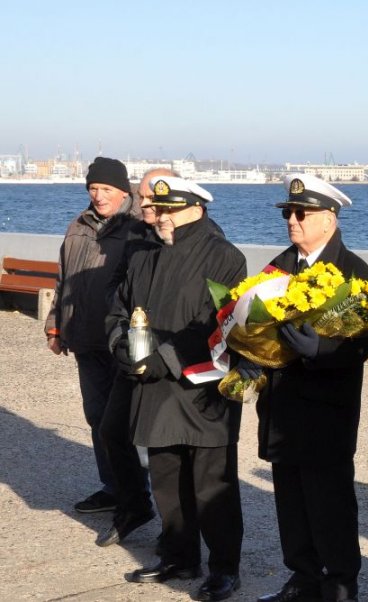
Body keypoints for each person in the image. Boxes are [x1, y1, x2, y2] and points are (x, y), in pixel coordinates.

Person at [107, 175, 246, 601]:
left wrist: (163, 359)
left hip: (202, 390)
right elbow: (119, 312)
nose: (160, 217)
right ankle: (178, 554)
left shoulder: (224, 256)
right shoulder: (143, 255)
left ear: (196, 209)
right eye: (158, 209)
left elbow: (217, 324)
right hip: (153, 388)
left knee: (212, 485)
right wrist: (123, 350)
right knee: (166, 478)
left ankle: (224, 567)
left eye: (169, 210)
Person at [255, 174, 368, 602]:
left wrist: (320, 349)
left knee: (331, 505)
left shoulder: (352, 271)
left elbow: (361, 343)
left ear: (328, 218)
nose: (291, 219)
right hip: (282, 406)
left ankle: (341, 584)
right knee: (291, 504)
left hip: (326, 410)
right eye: (287, 212)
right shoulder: (280, 266)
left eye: (300, 213)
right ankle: (303, 578)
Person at [45, 156, 144, 514]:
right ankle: (113, 486)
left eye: (106, 189)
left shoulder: (137, 226)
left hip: (120, 340)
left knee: (122, 421)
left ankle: (135, 492)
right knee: (96, 417)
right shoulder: (78, 225)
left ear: (123, 191)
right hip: (84, 337)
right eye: (93, 188)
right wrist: (55, 326)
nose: (98, 195)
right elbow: (63, 278)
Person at [96, 167, 179, 548]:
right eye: (141, 197)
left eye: (150, 197)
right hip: (132, 355)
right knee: (113, 431)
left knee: (167, 452)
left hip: (169, 361)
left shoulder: (198, 241)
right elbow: (119, 291)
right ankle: (134, 505)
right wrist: (118, 339)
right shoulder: (135, 235)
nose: (143, 203)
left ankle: (179, 536)